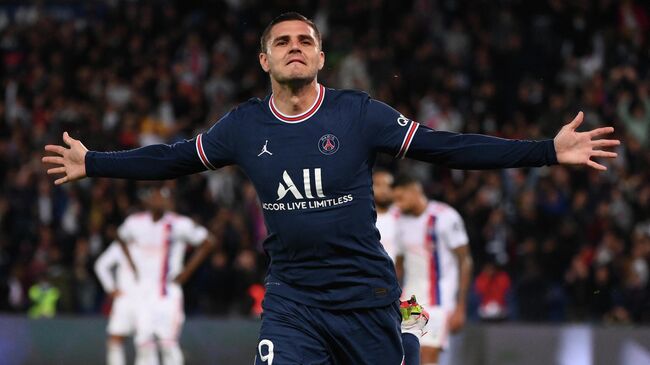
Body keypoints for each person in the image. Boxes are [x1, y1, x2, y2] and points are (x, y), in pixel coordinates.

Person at [42, 12, 619, 365]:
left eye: (306, 39)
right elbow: (170, 160)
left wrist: (547, 150)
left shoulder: (358, 115)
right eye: (283, 40)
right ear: (264, 58)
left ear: (320, 56)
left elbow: (449, 147)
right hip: (292, 301)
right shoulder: (243, 126)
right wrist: (94, 162)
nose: (295, 45)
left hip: (368, 300)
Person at [107, 185, 216, 365]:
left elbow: (208, 242)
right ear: (147, 199)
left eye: (165, 196)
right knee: (144, 344)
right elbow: (119, 236)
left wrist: (186, 272)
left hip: (167, 293)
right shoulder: (135, 222)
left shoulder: (179, 223)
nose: (161, 199)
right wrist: (132, 265)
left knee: (167, 343)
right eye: (157, 195)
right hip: (142, 293)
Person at [392, 175, 473, 365]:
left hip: (439, 300)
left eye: (401, 198)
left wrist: (461, 305)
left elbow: (465, 260)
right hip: (411, 302)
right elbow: (400, 263)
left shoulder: (444, 217)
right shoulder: (399, 219)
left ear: (414, 191)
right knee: (410, 357)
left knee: (427, 355)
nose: (398, 203)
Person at [94, 240, 138, 365]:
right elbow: (101, 265)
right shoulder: (123, 244)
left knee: (146, 342)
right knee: (116, 339)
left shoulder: (157, 240)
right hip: (126, 299)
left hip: (147, 298)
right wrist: (111, 288)